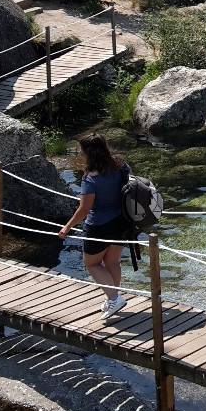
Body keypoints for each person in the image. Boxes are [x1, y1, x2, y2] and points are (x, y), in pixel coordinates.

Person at [57, 134, 132, 318]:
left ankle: (114, 298)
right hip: (122, 222)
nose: (80, 154)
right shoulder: (121, 166)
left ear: (88, 152)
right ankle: (112, 298)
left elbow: (84, 209)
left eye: (81, 151)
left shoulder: (90, 178)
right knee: (112, 262)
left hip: (99, 226)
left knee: (92, 264)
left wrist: (67, 227)